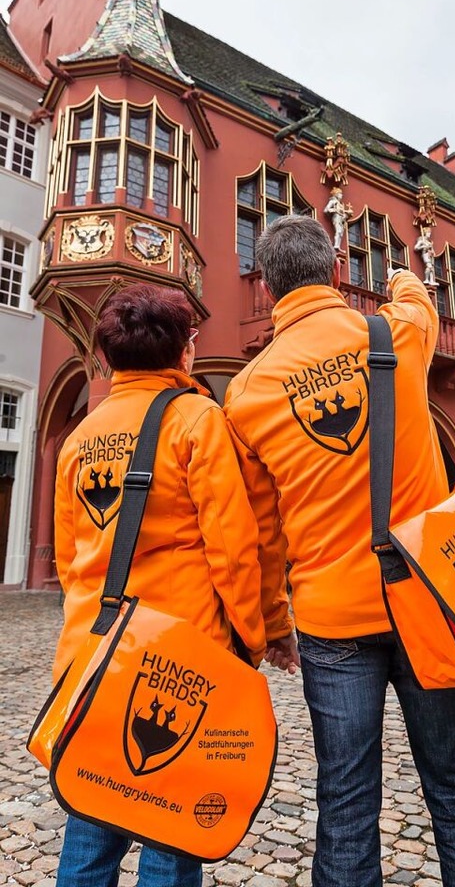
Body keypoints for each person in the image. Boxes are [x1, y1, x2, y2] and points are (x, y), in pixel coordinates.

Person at [224, 215, 455, 887]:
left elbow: (262, 531)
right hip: (428, 603)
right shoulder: (397, 334)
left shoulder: (247, 392)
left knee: (345, 807)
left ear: (267, 290)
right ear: (337, 273)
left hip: (331, 623)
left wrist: (271, 624)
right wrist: (400, 272)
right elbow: (418, 295)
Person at [52, 283, 292, 887]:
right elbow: (233, 549)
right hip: (181, 656)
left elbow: (67, 557)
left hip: (96, 652)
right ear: (186, 352)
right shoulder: (196, 419)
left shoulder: (80, 436)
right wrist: (253, 642)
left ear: (105, 359)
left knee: (92, 812)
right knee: (171, 823)